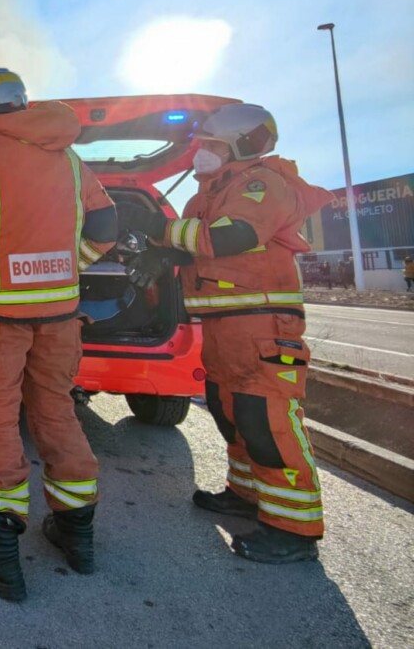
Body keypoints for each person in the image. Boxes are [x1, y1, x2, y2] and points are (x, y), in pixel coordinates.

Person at [0, 69, 117, 601]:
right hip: (59, 315)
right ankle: (77, 537)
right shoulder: (67, 156)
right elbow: (105, 228)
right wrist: (63, 273)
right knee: (56, 410)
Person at [122, 103, 333, 564]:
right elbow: (197, 247)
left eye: (212, 145)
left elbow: (232, 236)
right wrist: (163, 257)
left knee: (267, 421)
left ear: (244, 142)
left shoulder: (261, 184)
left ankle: (295, 530)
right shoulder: (208, 195)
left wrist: (159, 229)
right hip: (222, 327)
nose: (202, 153)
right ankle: (245, 493)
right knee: (228, 411)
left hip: (261, 326)